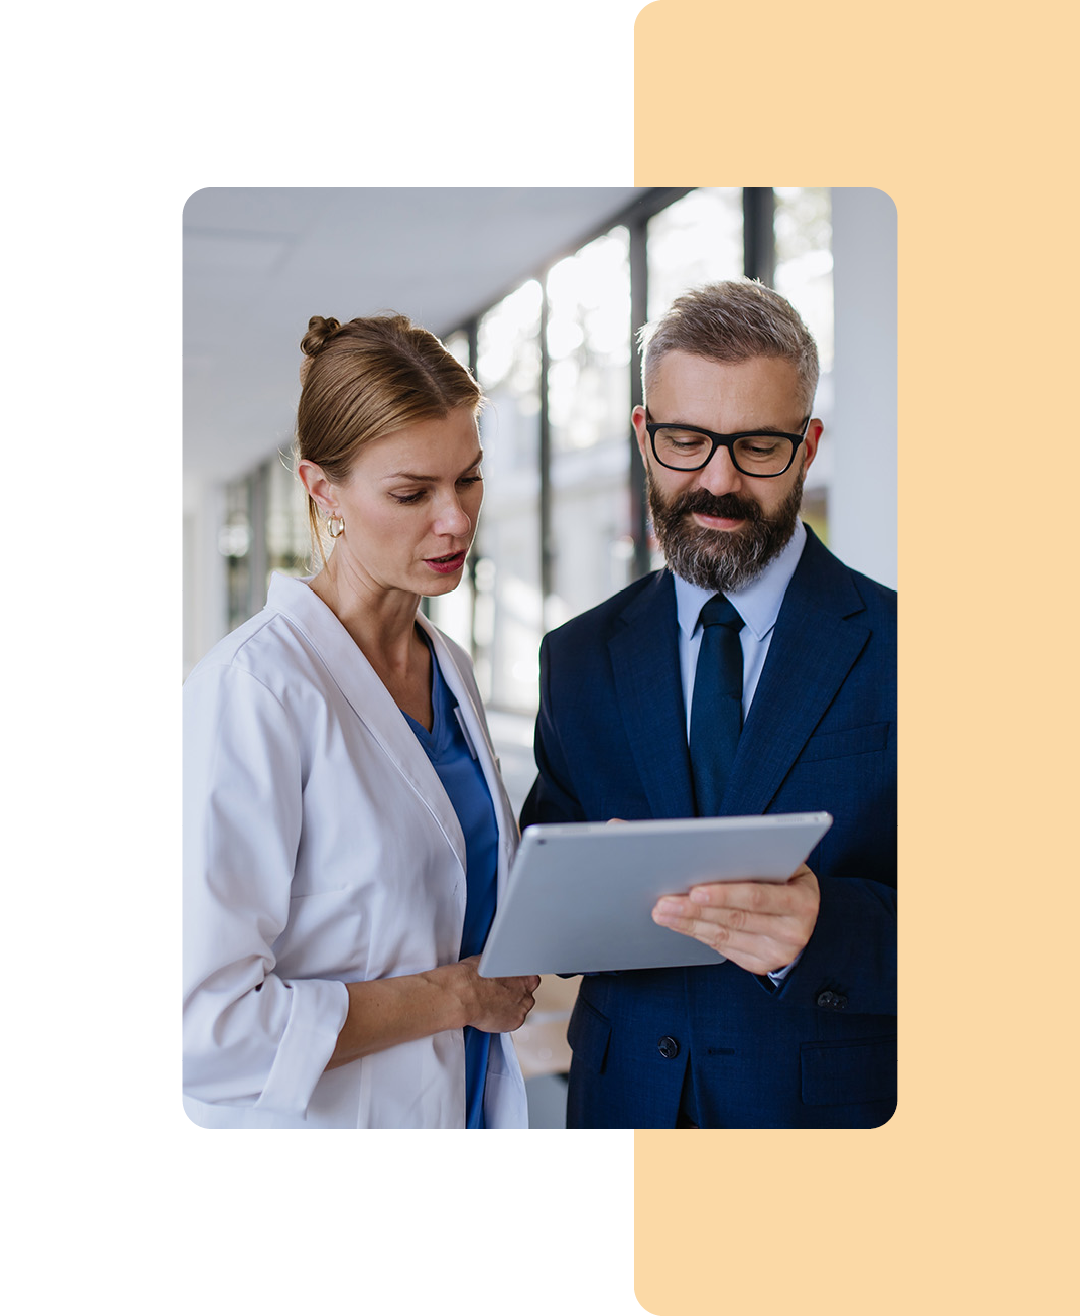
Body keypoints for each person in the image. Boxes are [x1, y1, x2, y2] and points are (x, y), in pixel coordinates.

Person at [521, 280, 896, 1129]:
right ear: (643, 437)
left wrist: (824, 927)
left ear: (807, 447)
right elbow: (544, 886)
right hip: (624, 1102)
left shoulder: (906, 645)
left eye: (758, 445)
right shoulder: (577, 657)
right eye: (686, 441)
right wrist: (574, 893)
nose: (718, 481)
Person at [183, 313, 539, 1129]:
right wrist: (453, 996)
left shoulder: (446, 666)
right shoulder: (254, 690)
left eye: (470, 479)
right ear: (322, 490)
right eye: (412, 493)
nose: (454, 520)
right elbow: (204, 1028)